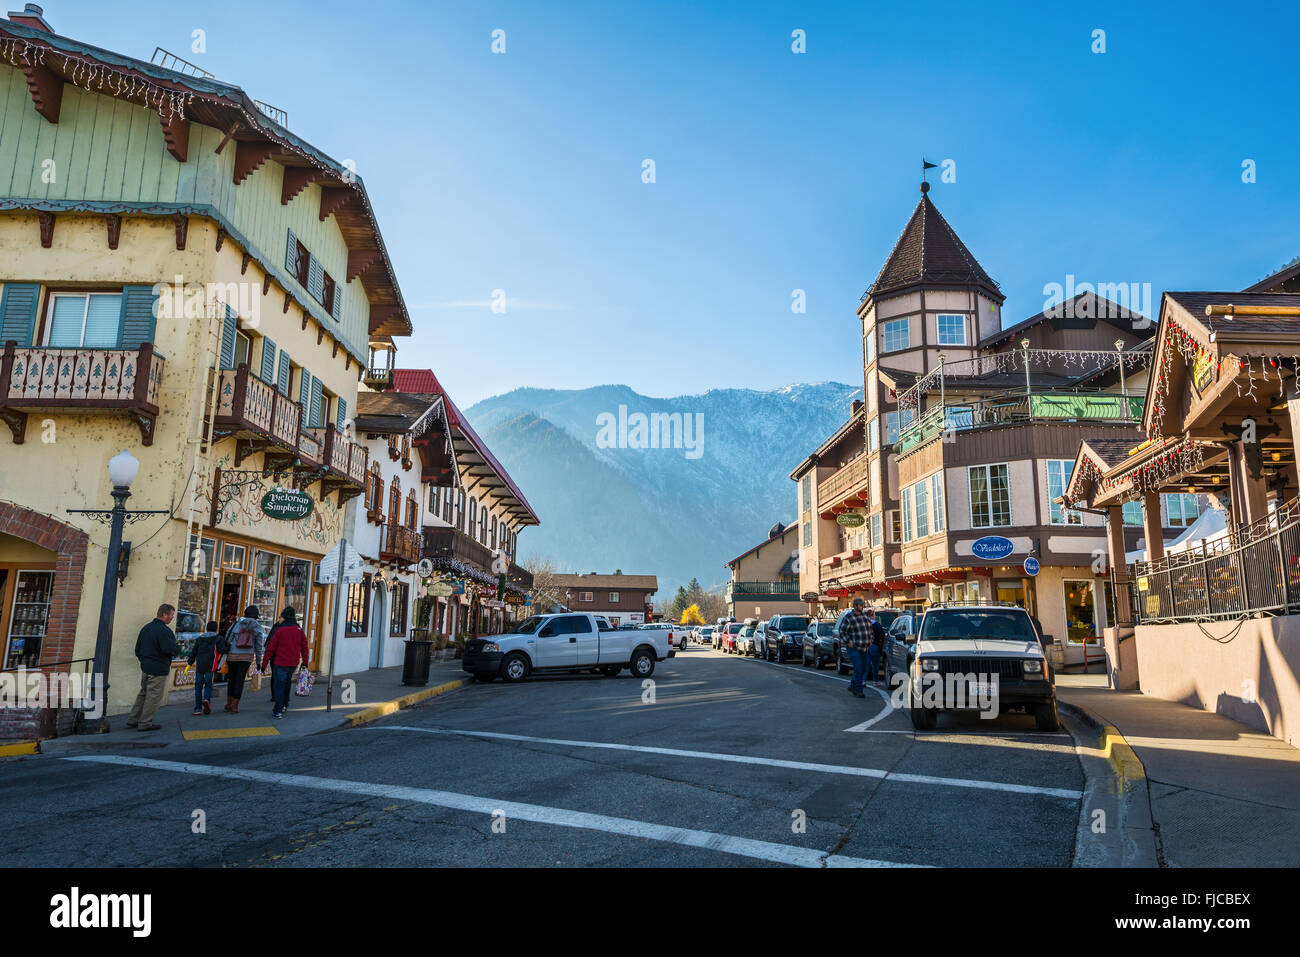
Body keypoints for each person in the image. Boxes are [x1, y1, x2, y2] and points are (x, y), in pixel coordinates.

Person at [125, 604, 179, 731]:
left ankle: (133, 719)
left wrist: (144, 660)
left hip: (146, 666)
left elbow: (137, 649)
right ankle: (145, 723)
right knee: (153, 697)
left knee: (143, 694)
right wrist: (177, 649)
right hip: (158, 668)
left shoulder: (146, 628)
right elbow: (169, 649)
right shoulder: (164, 631)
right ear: (164, 614)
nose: (172, 617)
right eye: (171, 614)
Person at [262, 607, 309, 719]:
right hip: (293, 663)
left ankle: (278, 709)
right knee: (287, 684)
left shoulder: (280, 630)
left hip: (280, 662)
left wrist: (264, 664)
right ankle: (284, 704)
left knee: (279, 685)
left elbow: (270, 649)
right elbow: (304, 647)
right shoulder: (299, 630)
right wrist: (305, 662)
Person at [223, 605, 265, 714]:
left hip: (232, 655)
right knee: (240, 680)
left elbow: (228, 637)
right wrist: (259, 661)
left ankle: (229, 703)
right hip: (247, 657)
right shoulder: (257, 627)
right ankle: (235, 705)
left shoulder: (236, 624)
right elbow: (259, 646)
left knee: (231, 679)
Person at [839, 598, 873, 699]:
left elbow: (870, 630)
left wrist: (871, 639)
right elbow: (842, 631)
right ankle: (859, 690)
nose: (862, 607)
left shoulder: (865, 617)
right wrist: (848, 641)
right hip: (854, 647)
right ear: (855, 606)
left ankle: (852, 686)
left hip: (865, 648)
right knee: (858, 668)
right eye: (860, 605)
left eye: (863, 605)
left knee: (863, 669)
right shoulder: (849, 617)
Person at [187, 620, 221, 716]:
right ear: (216, 629)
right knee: (208, 685)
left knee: (198, 686)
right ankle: (206, 700)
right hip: (210, 666)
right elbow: (223, 649)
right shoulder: (218, 638)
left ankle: (197, 708)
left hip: (200, 666)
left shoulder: (199, 639)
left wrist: (189, 663)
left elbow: (194, 652)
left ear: (206, 628)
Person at [865, 608, 887, 686]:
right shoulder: (876, 624)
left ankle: (863, 681)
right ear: (871, 616)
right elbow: (882, 635)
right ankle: (875, 681)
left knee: (866, 665)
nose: (875, 616)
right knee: (875, 665)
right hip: (874, 646)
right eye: (874, 614)